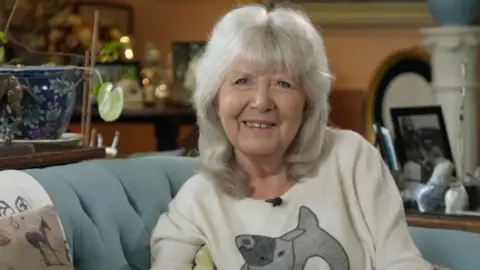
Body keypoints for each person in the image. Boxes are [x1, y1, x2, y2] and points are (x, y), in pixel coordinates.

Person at [150, 4, 433, 270]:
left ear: (306, 103)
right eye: (243, 81)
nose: (261, 102)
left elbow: (401, 261)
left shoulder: (351, 159)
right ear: (215, 100)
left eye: (282, 84)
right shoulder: (196, 202)